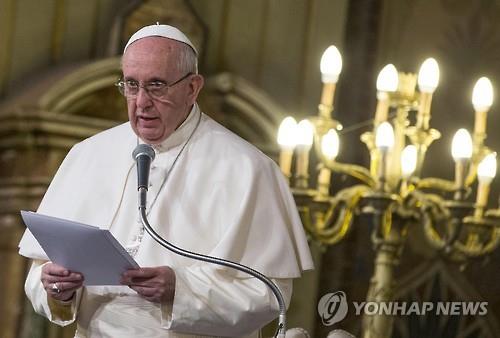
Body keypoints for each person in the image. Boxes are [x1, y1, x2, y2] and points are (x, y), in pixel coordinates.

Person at [18, 24, 313, 338]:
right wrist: (56, 290)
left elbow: (269, 294)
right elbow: (39, 273)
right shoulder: (87, 154)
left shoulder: (249, 168)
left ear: (192, 88)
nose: (141, 101)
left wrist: (180, 291)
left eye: (156, 85)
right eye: (131, 85)